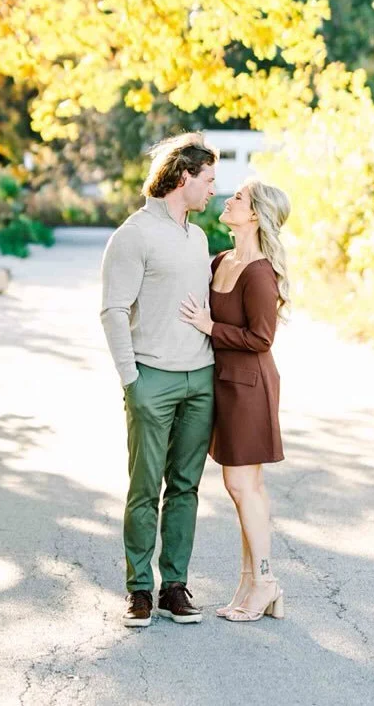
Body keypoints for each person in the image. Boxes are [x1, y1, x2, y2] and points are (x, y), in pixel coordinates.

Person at [100, 133, 217, 629]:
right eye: (208, 180)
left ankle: (174, 586)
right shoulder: (134, 234)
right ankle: (139, 591)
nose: (215, 190)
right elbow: (112, 310)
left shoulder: (199, 235)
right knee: (145, 488)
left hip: (201, 380)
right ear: (183, 177)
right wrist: (133, 381)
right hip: (153, 379)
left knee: (186, 488)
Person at [180, 179, 291, 623]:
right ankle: (251, 582)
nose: (229, 199)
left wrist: (210, 328)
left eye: (239, 198)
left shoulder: (260, 272)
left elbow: (261, 338)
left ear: (256, 215)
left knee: (244, 487)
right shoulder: (222, 260)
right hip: (223, 383)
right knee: (241, 487)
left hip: (249, 387)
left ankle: (264, 582)